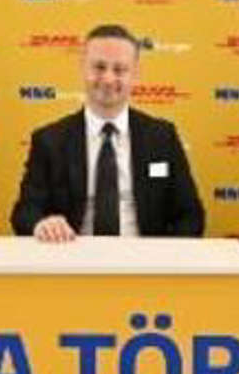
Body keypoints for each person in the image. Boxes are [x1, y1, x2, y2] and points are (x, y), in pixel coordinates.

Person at [11, 23, 204, 241]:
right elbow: (24, 213)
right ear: (83, 68)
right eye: (99, 67)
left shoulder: (162, 138)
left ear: (135, 74)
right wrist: (41, 224)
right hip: (71, 256)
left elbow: (191, 216)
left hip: (145, 258)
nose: (108, 79)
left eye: (120, 69)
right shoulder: (50, 140)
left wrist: (162, 255)